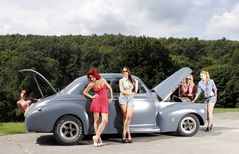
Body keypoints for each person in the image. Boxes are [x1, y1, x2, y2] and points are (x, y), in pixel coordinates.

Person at [83, 69, 113, 147]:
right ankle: (98, 139)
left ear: (96, 75)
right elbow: (84, 92)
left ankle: (95, 137)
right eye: (90, 77)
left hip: (104, 102)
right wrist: (92, 97)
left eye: (92, 77)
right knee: (96, 121)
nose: (92, 78)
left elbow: (110, 88)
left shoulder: (102, 79)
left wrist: (111, 98)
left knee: (105, 120)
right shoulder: (91, 84)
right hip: (96, 102)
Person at [119, 67, 138, 143]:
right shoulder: (121, 80)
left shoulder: (133, 80)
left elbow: (135, 91)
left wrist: (136, 84)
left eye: (126, 71)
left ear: (129, 71)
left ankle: (123, 134)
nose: (124, 72)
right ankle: (128, 135)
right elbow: (122, 91)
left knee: (128, 117)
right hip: (123, 99)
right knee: (126, 116)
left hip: (130, 99)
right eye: (123, 71)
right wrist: (131, 93)